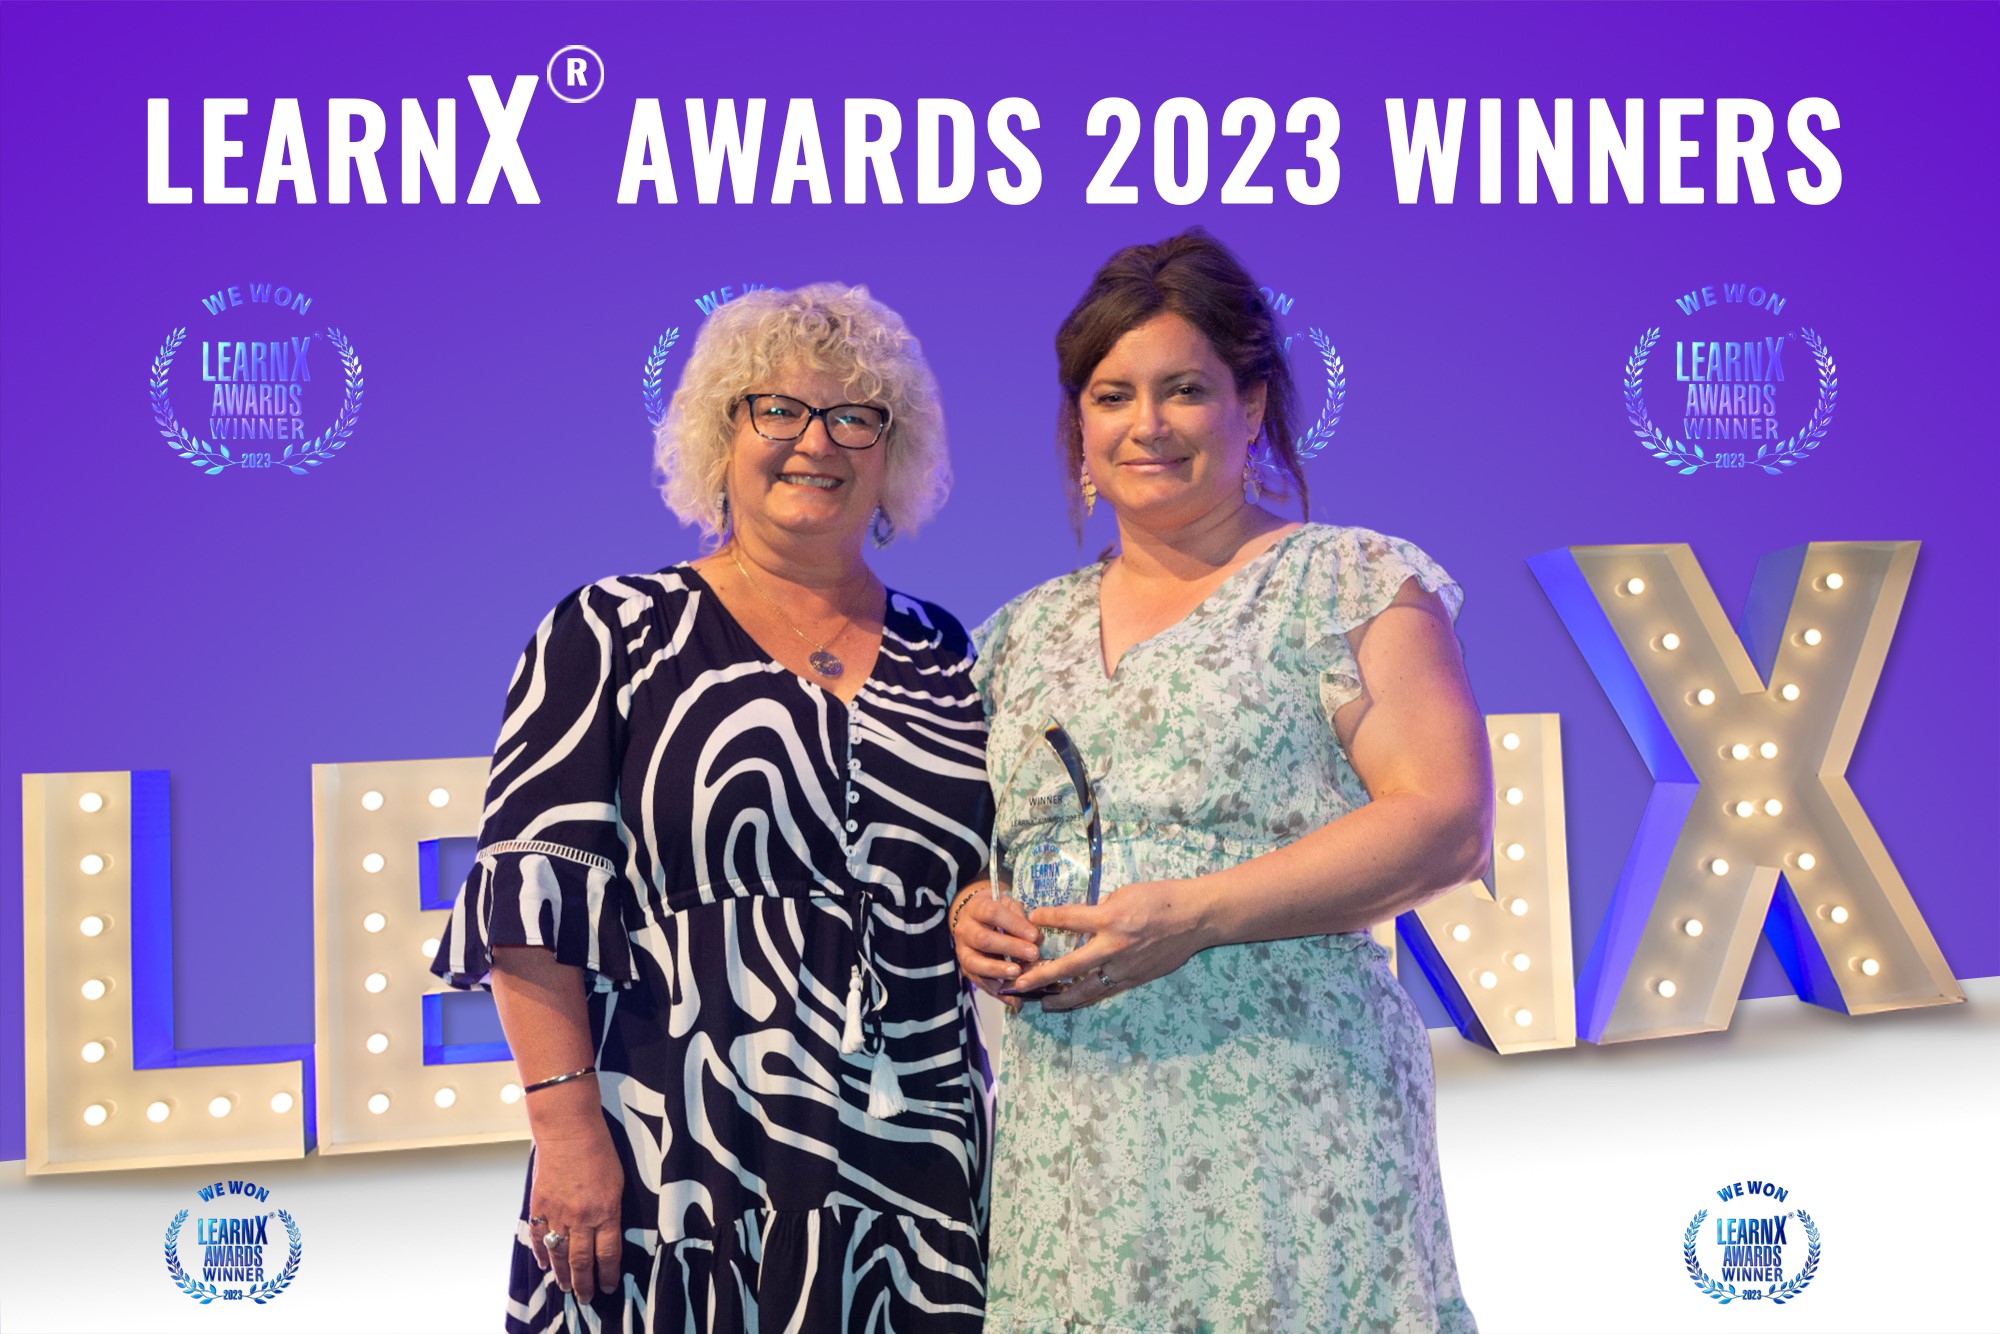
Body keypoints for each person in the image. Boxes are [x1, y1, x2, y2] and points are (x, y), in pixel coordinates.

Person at [948, 231, 1487, 1332]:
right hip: (1074, 1142)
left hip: (1286, 1118)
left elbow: (1443, 820)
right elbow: (979, 854)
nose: (1145, 425)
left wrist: (1192, 914)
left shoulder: (1346, 582)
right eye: (1111, 396)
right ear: (1077, 430)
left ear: (1251, 406)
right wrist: (972, 911)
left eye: (1183, 389)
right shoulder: (1013, 636)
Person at [434, 283, 993, 1332]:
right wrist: (566, 1132)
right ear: (717, 433)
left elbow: (976, 879)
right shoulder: (610, 630)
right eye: (774, 409)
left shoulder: (948, 650)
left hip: (915, 1166)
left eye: (853, 415)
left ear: (891, 452)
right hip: (672, 1154)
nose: (813, 441)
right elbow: (528, 901)